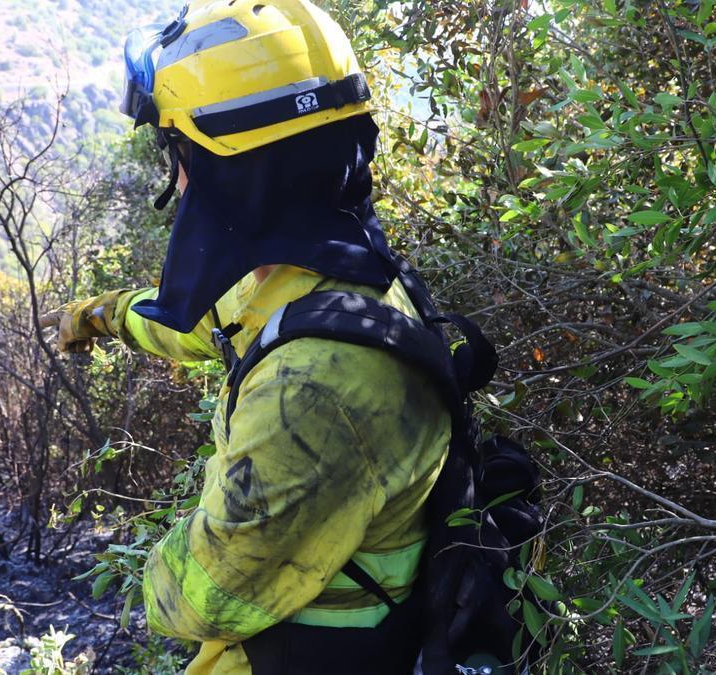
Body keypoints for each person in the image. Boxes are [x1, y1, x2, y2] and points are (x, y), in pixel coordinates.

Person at [52, 2, 451, 672]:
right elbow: (206, 322)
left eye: (178, 154)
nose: (177, 178)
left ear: (229, 171)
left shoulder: (317, 387)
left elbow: (203, 598)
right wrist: (104, 315)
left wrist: (164, 552)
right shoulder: (324, 279)